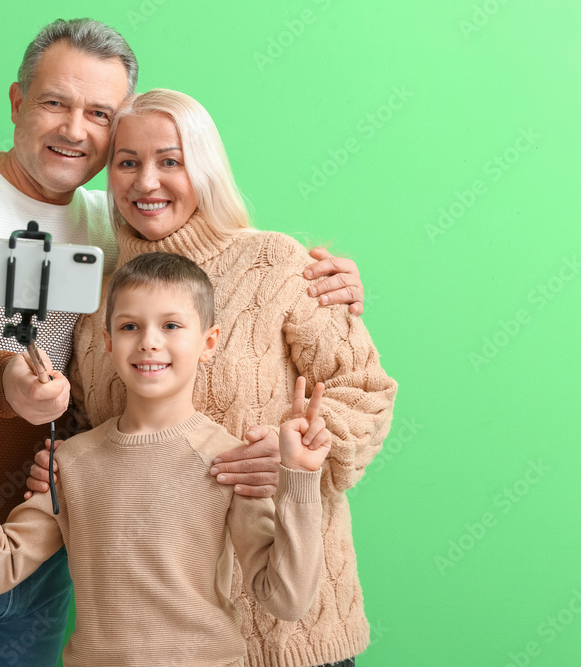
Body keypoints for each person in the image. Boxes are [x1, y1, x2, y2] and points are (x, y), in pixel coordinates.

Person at [0, 18, 367, 667]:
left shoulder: (112, 230)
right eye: (55, 103)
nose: (75, 129)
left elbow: (238, 287)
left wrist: (325, 285)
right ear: (17, 102)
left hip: (68, 561)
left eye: (99, 113)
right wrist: (12, 394)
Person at [26, 89, 398, 667]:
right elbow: (92, 430)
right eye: (128, 163)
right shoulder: (96, 295)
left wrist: (297, 456)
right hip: (159, 646)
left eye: (170, 161)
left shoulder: (278, 263)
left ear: (204, 167)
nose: (147, 182)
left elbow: (366, 393)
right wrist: (61, 463)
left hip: (288, 634)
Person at [0, 252, 334, 667]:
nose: (149, 340)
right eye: (131, 326)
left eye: (171, 325)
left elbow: (287, 599)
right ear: (109, 343)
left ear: (208, 343)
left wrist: (300, 479)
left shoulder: (229, 461)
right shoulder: (72, 462)